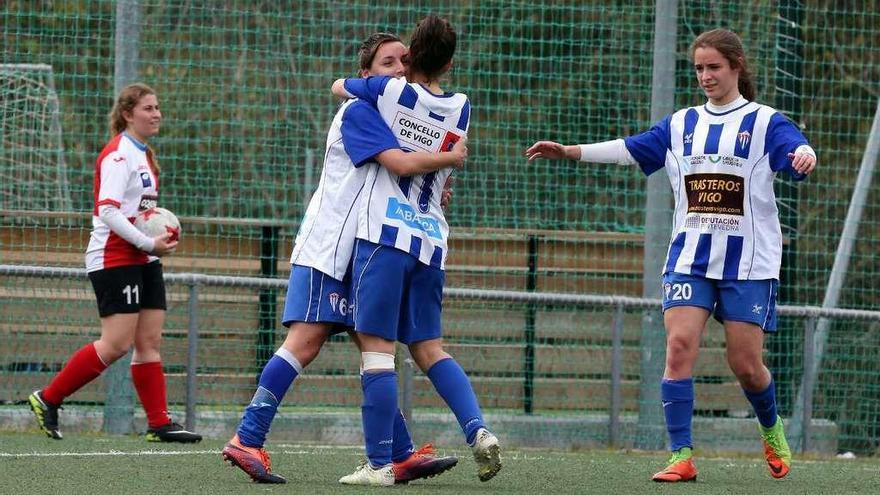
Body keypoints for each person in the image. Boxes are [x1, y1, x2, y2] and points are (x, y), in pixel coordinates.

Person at [526, 28, 817, 482]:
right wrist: (570, 151)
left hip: (749, 264)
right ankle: (681, 454)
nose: (705, 76)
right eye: (699, 68)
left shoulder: (764, 122)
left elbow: (796, 149)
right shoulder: (681, 124)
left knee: (746, 365)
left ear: (736, 66)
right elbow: (629, 149)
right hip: (689, 259)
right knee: (679, 346)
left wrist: (804, 155)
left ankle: (770, 425)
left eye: (713, 67)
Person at [221, 33, 465, 484]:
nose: (398, 68)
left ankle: (402, 452)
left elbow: (415, 177)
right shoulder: (362, 111)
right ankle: (247, 438)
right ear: (366, 75)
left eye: (403, 61)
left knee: (372, 349)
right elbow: (401, 164)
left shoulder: (396, 112)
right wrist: (446, 157)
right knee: (306, 342)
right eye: (387, 62)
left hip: (362, 251)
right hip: (329, 248)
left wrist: (437, 184)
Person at [332, 14, 502, 486]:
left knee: (377, 348)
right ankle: (478, 430)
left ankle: (380, 464)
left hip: (385, 234)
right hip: (430, 237)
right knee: (430, 347)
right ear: (450, 62)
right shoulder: (462, 107)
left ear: (408, 60)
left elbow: (339, 87)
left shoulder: (388, 93)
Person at [28, 83, 202, 444]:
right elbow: (106, 210)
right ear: (127, 114)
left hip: (144, 257)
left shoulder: (145, 155)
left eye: (157, 108)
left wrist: (156, 237)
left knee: (149, 340)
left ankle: (159, 422)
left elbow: (138, 211)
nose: (156, 114)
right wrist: (145, 240)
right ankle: (48, 398)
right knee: (116, 343)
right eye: (148, 108)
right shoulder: (119, 155)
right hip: (115, 256)